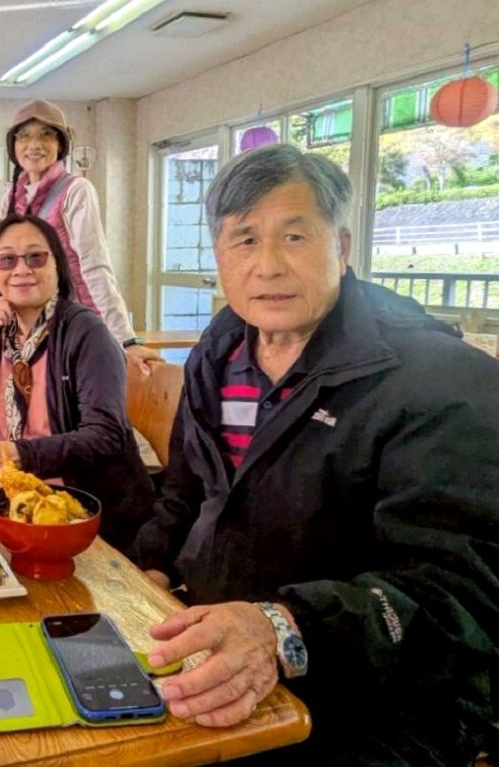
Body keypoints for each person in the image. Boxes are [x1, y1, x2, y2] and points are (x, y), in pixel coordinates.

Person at [128, 145, 499, 764]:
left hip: (381, 695)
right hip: (225, 646)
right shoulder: (218, 354)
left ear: (343, 245)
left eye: (294, 236)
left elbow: (462, 593)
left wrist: (284, 626)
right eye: (243, 240)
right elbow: (188, 488)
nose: (267, 266)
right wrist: (154, 570)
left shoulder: (440, 380)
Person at [0, 214, 154, 553]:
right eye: (7, 259)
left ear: (58, 265)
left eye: (35, 257)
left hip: (79, 516)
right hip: (12, 499)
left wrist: (19, 453)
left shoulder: (87, 333)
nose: (21, 269)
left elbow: (105, 437)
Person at [1, 99, 158, 370]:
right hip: (30, 326)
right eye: (24, 136)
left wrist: (126, 339)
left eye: (45, 135)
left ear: (61, 144)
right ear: (13, 146)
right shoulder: (10, 196)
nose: (34, 144)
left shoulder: (75, 190)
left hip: (75, 322)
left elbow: (94, 265)